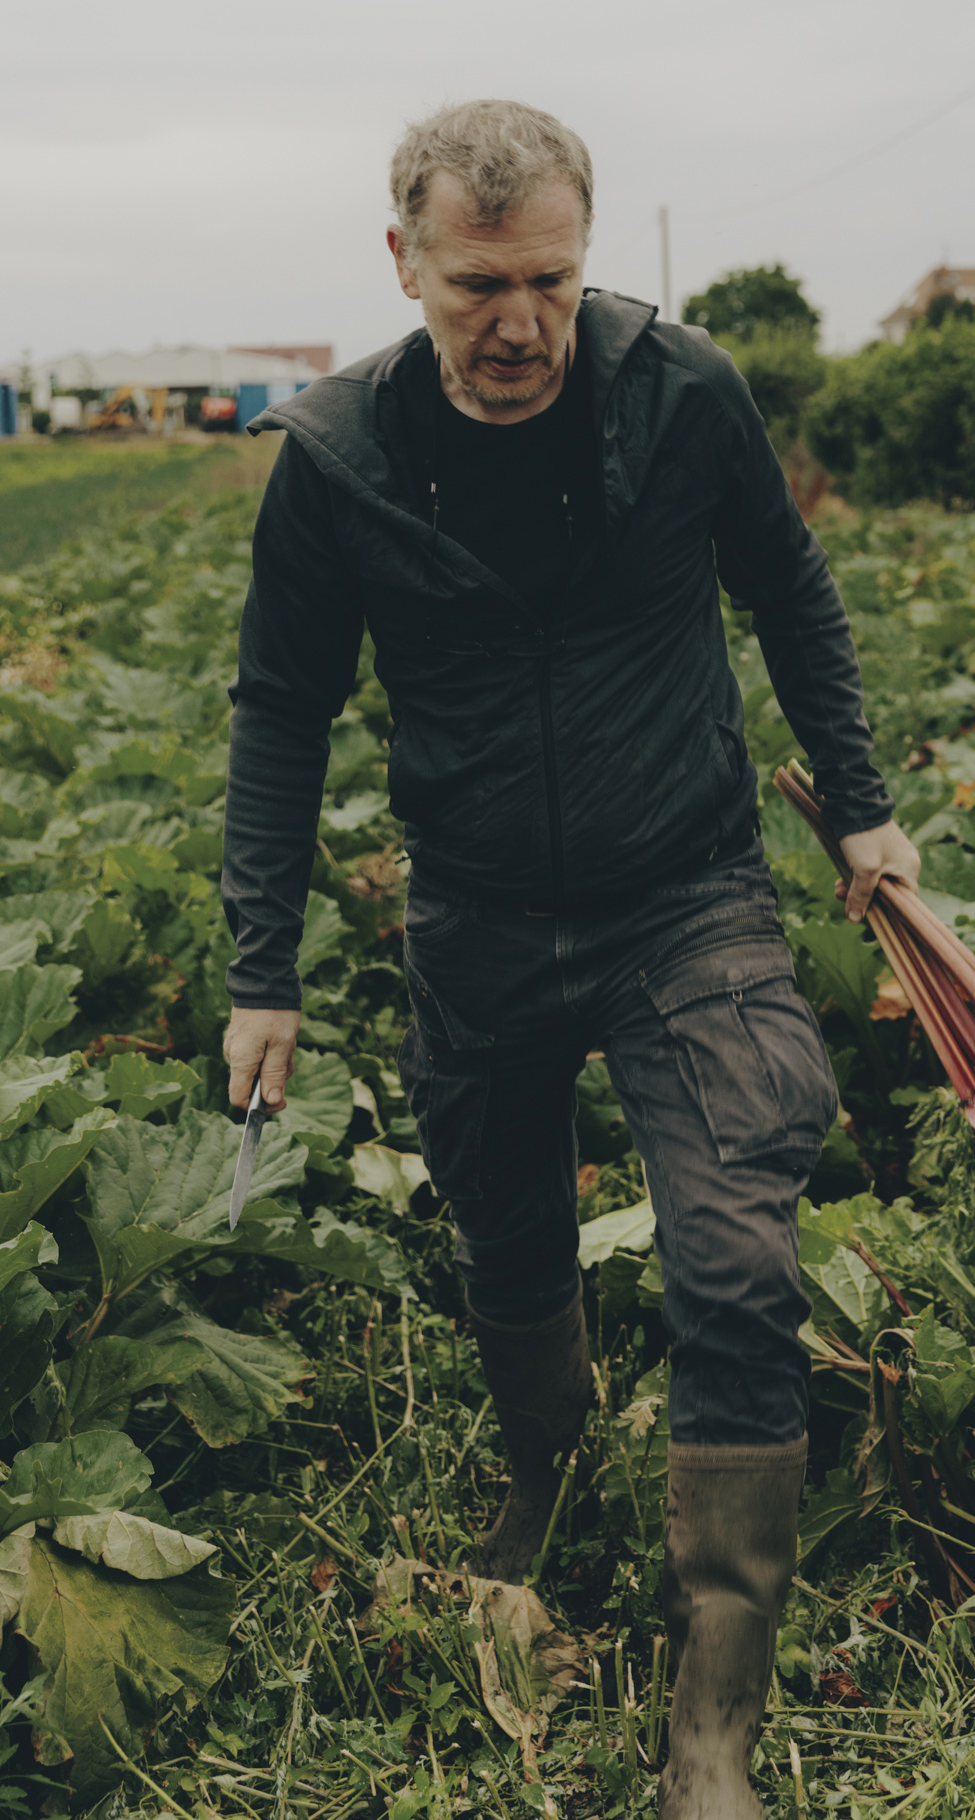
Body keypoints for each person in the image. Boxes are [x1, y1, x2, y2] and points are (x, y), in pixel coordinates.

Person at [220, 99, 919, 1818]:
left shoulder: (682, 397)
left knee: (739, 1251)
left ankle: (715, 1720)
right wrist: (263, 969)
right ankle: (541, 1463)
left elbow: (791, 587)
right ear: (406, 264)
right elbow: (279, 714)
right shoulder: (336, 461)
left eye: (549, 278)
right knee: (507, 1226)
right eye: (477, 286)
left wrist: (866, 810)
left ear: (583, 261)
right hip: (472, 912)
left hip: (686, 892)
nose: (518, 322)